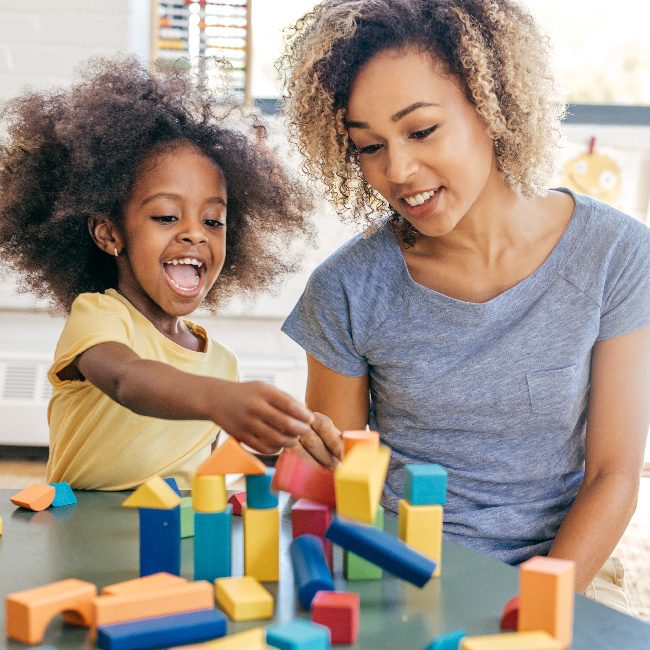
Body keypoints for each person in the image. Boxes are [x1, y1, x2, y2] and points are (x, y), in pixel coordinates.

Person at [279, 0, 650, 609]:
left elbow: (614, 477)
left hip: (561, 569)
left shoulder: (616, 255)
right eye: (369, 146)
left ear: (492, 106)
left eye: (421, 130)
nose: (397, 169)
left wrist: (536, 605)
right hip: (397, 571)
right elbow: (338, 478)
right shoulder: (347, 287)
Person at [0, 55, 317, 491]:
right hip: (86, 540)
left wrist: (287, 437)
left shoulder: (221, 364)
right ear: (110, 233)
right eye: (167, 217)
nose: (194, 234)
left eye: (213, 221)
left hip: (177, 544)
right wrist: (219, 399)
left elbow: (204, 472)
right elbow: (126, 379)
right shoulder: (100, 317)